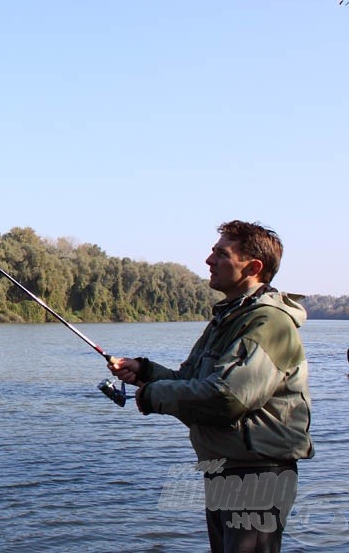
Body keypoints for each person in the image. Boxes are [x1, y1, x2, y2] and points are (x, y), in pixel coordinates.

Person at [107, 220, 312, 553]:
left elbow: (227, 398)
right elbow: (193, 382)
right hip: (224, 470)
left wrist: (151, 396)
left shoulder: (268, 322)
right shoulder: (229, 319)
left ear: (253, 267)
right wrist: (145, 371)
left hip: (257, 476)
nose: (208, 260)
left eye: (221, 253)